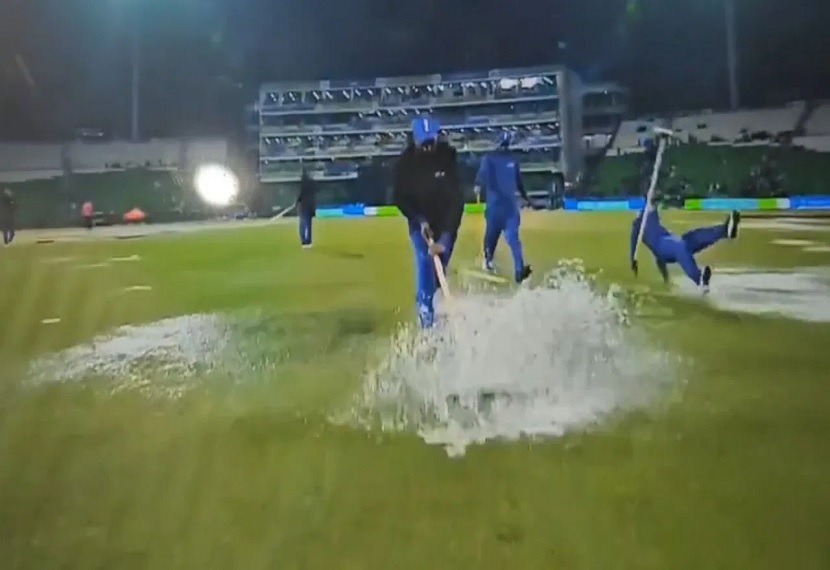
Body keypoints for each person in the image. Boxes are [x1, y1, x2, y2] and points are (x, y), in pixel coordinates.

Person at [393, 116, 464, 328]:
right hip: (419, 224)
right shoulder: (405, 163)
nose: (427, 147)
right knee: (425, 261)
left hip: (445, 226)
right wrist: (419, 220)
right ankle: (426, 317)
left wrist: (445, 237)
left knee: (438, 270)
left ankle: (435, 307)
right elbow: (399, 197)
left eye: (430, 142)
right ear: (414, 140)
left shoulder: (448, 158)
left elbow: (456, 201)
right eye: (423, 143)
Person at [630, 197, 740, 290]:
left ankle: (724, 231)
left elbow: (652, 203)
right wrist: (633, 260)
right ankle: (699, 278)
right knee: (679, 246)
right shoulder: (638, 225)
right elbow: (634, 245)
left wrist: (666, 279)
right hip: (664, 247)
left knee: (692, 238)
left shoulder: (651, 216)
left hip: (668, 242)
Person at [473, 131, 532, 283]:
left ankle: (519, 270)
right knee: (499, 238)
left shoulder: (508, 160)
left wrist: (527, 199)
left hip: (506, 208)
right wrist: (478, 184)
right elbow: (483, 174)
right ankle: (488, 260)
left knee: (511, 239)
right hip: (499, 207)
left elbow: (519, 183)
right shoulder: (491, 159)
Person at [296, 168, 317, 248]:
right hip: (310, 206)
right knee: (308, 225)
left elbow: (300, 195)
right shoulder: (312, 183)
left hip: (304, 206)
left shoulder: (302, 184)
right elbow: (318, 189)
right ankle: (309, 241)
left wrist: (297, 202)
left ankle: (304, 241)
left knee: (303, 224)